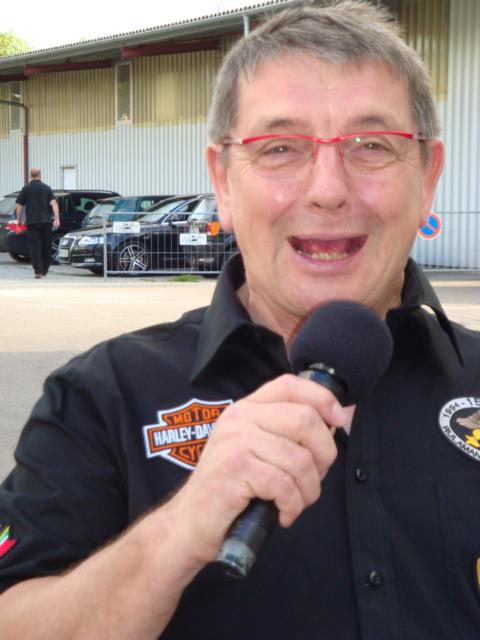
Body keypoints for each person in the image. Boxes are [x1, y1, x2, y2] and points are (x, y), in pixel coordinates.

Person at [0, 2, 479, 638]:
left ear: (428, 176)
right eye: (280, 148)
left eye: (372, 146)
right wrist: (177, 531)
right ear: (223, 182)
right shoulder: (100, 395)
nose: (328, 190)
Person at [15, 168, 60, 278]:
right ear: (40, 175)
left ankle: (38, 271)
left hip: (32, 222)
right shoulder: (47, 188)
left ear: (31, 176)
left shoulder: (26, 189)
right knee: (46, 246)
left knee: (35, 247)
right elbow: (54, 204)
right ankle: (44, 270)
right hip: (46, 222)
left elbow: (19, 205)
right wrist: (57, 219)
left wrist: (19, 220)